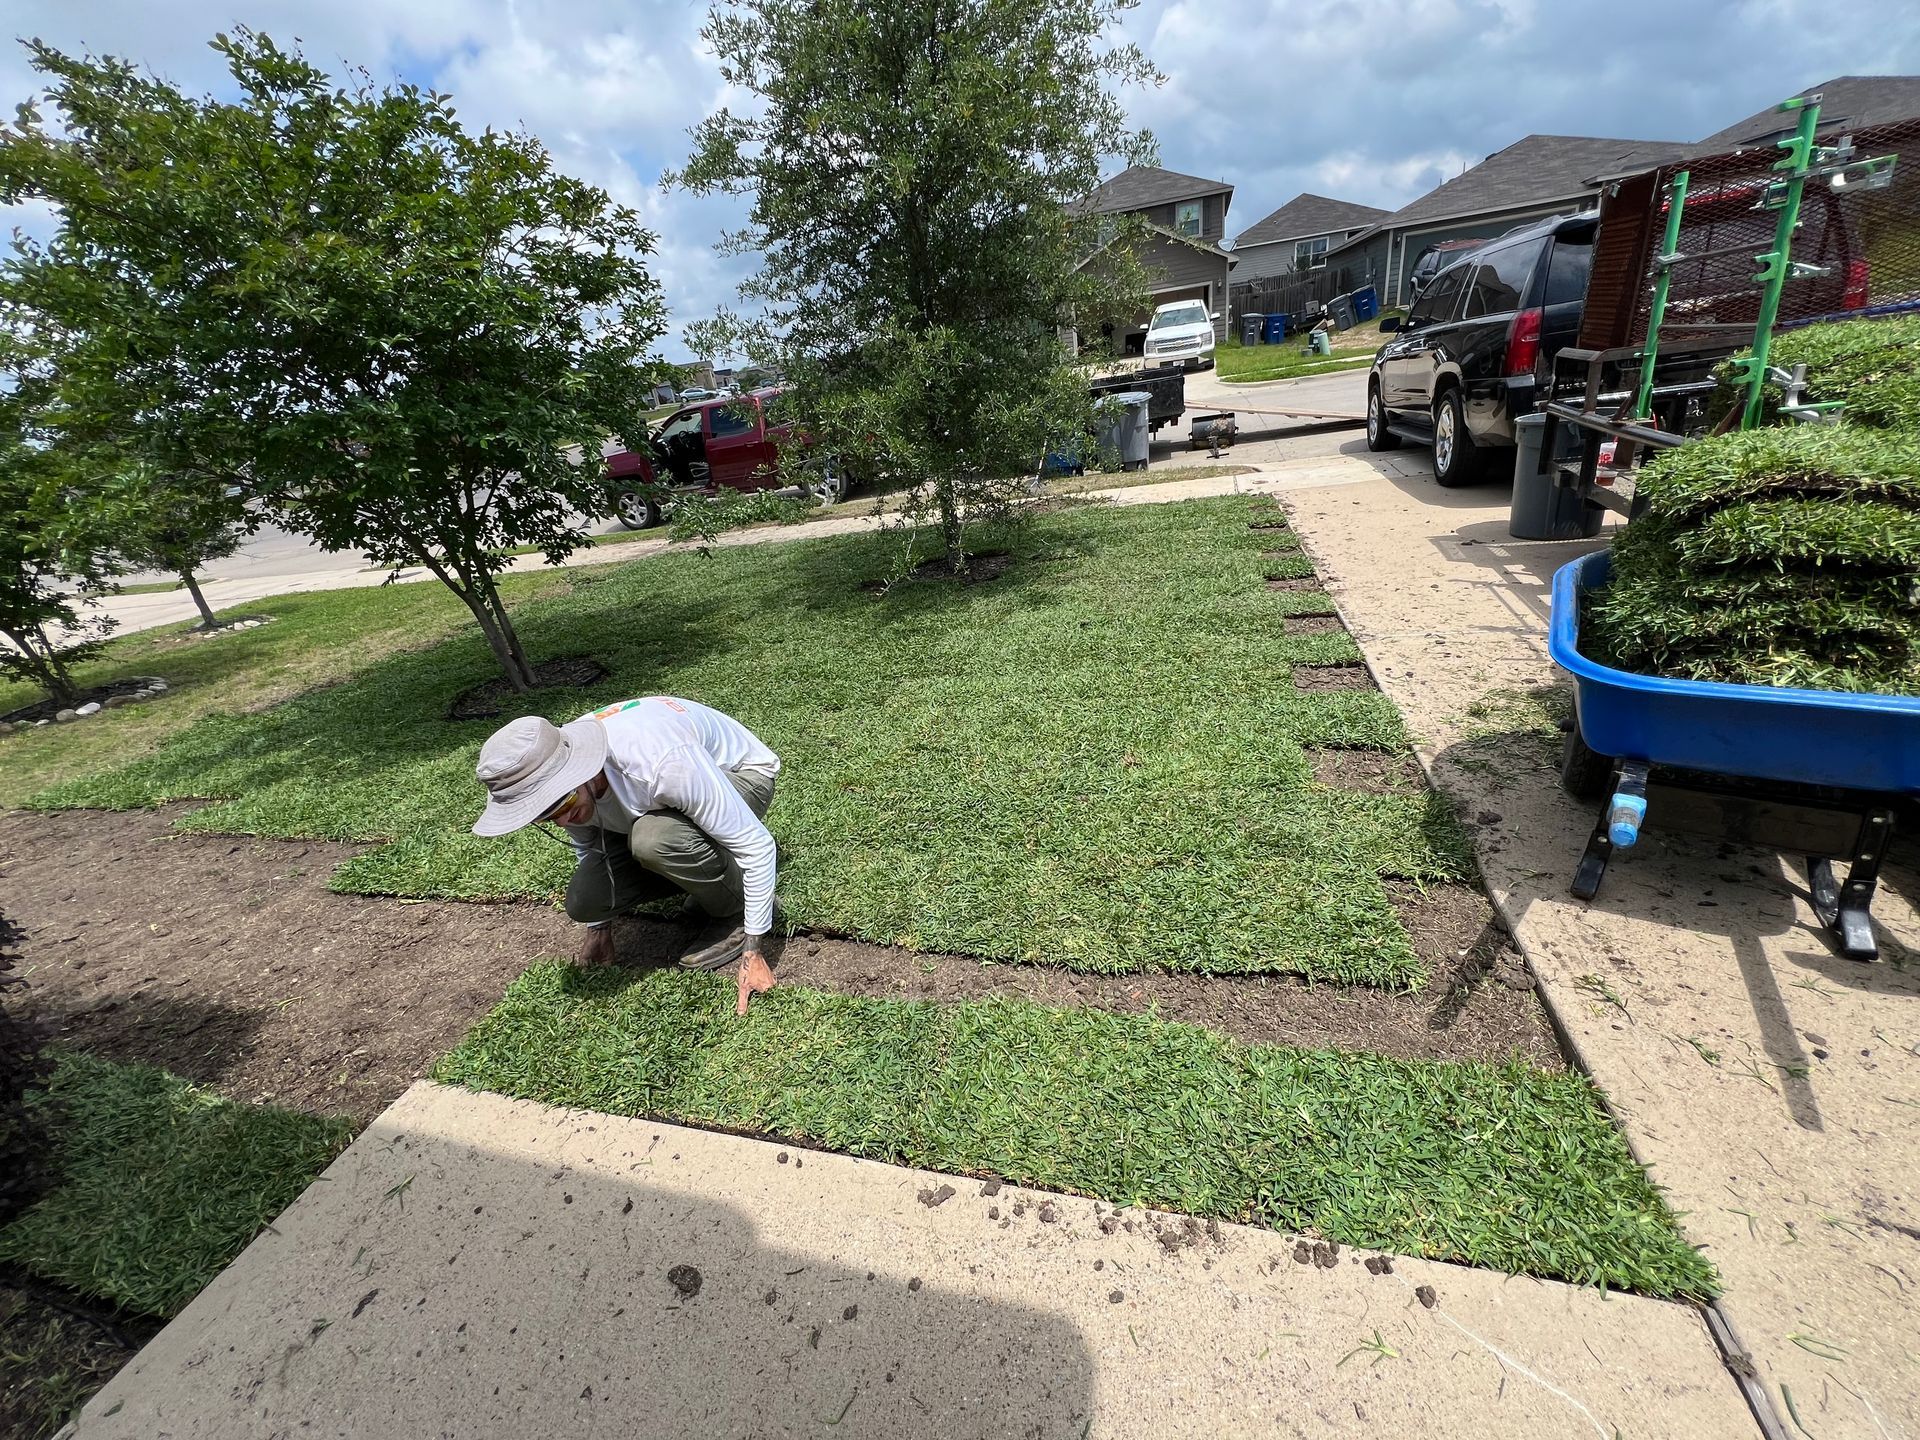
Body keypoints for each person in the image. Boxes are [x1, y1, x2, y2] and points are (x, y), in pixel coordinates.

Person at [471, 696, 780, 1015]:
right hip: (656, 804)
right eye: (544, 815)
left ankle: (735, 913)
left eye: (562, 805)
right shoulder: (562, 780)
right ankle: (707, 875)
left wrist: (753, 950)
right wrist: (599, 928)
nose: (562, 820)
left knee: (654, 839)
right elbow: (591, 847)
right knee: (587, 899)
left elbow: (756, 844)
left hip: (742, 777)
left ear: (582, 771)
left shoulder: (660, 762)